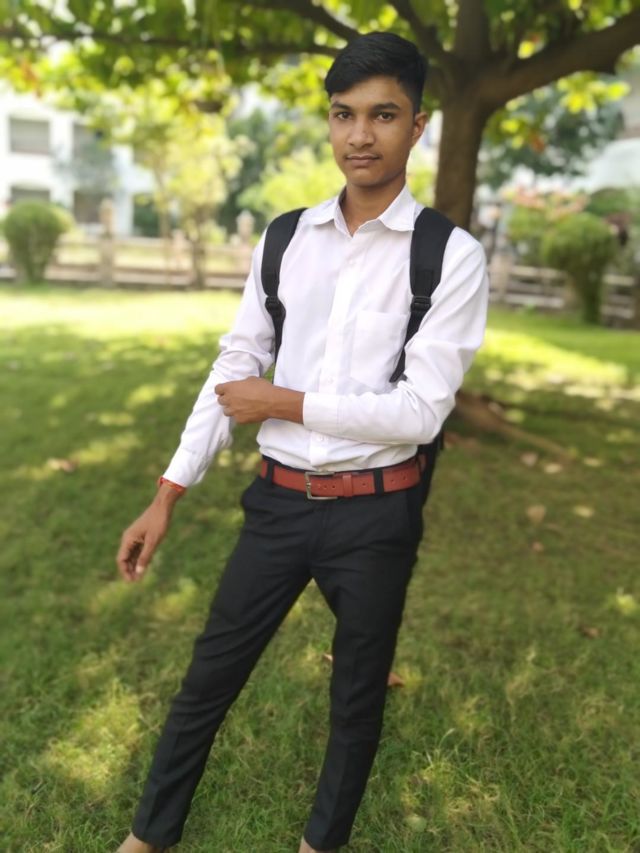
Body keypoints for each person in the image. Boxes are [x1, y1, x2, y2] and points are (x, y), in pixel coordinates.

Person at [115, 30, 489, 853]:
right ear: (329, 122)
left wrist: (284, 401)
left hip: (377, 514)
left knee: (355, 699)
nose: (361, 135)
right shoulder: (286, 238)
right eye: (344, 114)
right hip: (279, 504)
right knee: (208, 678)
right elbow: (234, 366)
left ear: (417, 125)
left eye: (383, 115)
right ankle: (147, 838)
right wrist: (168, 492)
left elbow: (420, 413)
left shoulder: (450, 256)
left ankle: (320, 845)